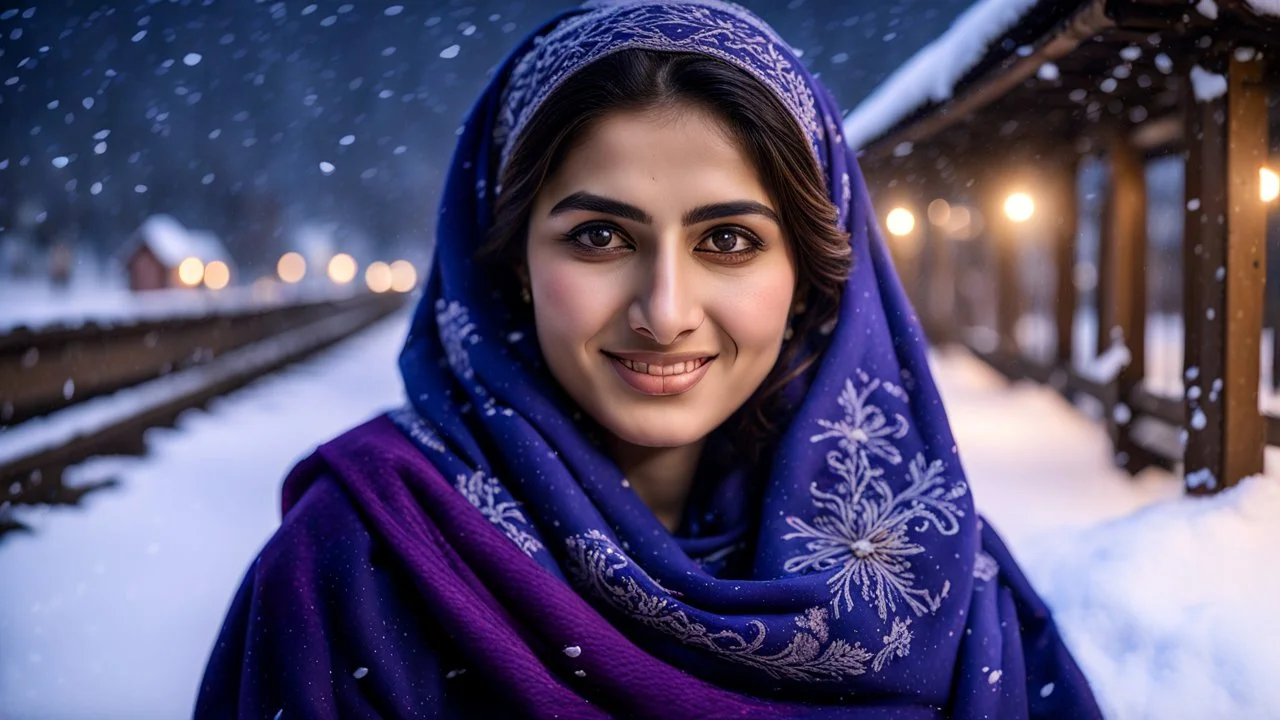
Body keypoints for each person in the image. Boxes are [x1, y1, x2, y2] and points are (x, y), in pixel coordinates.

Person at [196, 1, 1103, 717]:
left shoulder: (942, 576)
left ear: (814, 273)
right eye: (599, 235)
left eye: (730, 242)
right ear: (510, 263)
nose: (664, 311)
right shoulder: (358, 565)